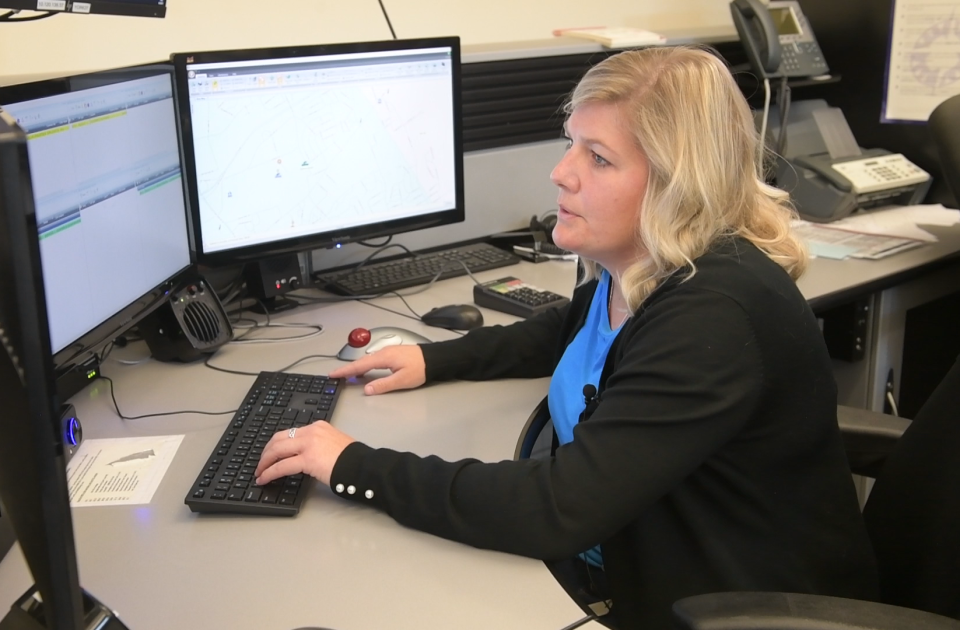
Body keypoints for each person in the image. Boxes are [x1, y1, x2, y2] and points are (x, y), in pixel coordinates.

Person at [255, 45, 879, 629]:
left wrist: (352, 465)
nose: (561, 173)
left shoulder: (711, 313)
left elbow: (558, 508)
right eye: (570, 145)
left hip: (730, 604)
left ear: (676, 184)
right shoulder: (642, 267)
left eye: (598, 157)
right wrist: (430, 357)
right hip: (640, 555)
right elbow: (570, 329)